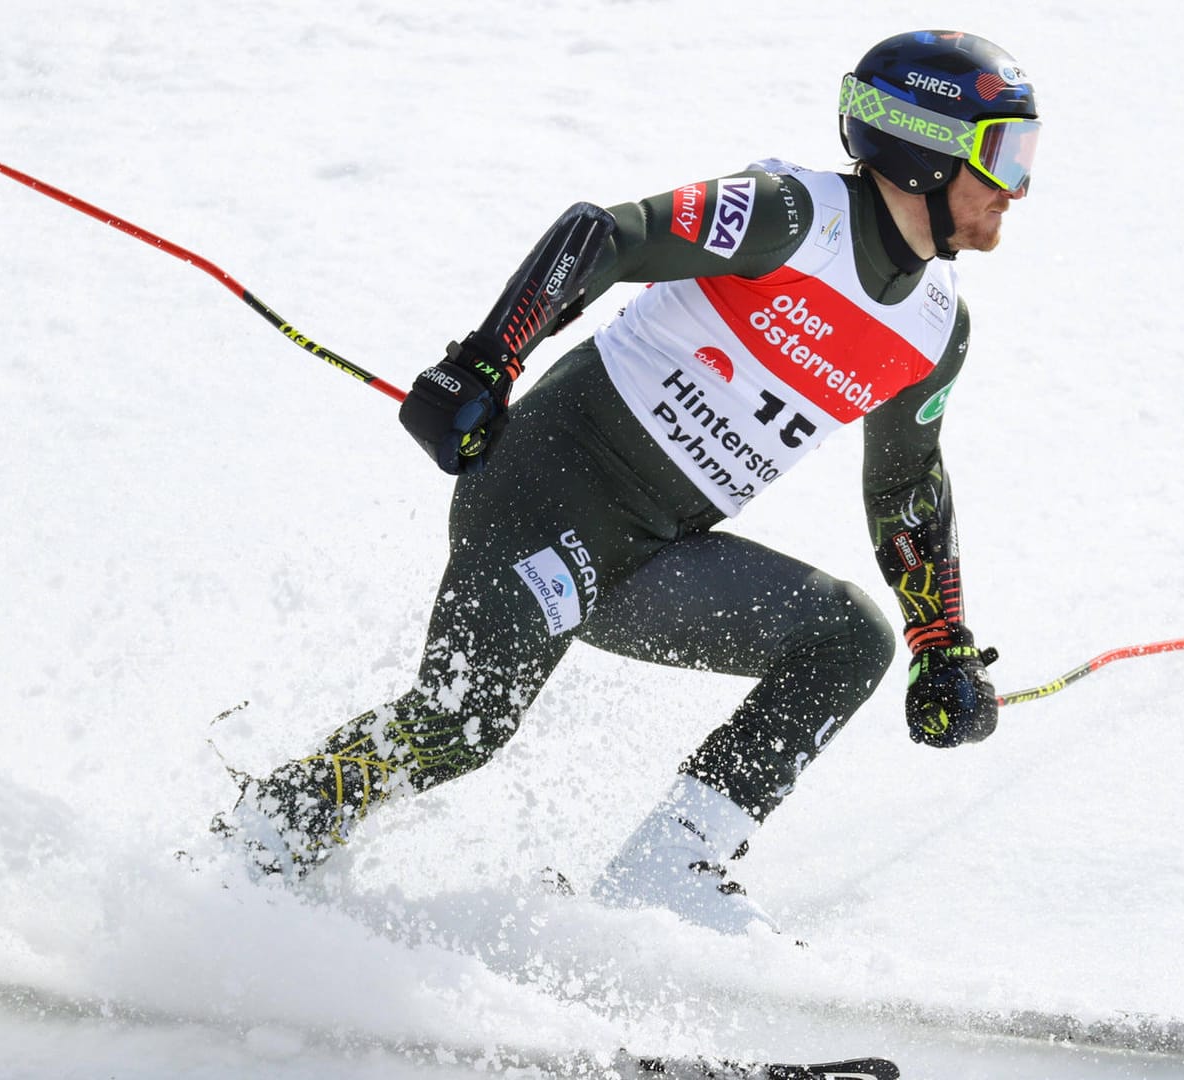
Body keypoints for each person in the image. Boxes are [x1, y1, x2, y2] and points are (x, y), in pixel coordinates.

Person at [213, 30, 1042, 935]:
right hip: (548, 493)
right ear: (925, 144)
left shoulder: (934, 328)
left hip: (650, 556)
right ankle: (261, 836)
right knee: (465, 725)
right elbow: (602, 236)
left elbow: (907, 488)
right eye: (1002, 153)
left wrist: (944, 641)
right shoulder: (796, 214)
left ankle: (667, 868)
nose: (1017, 188)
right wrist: (488, 360)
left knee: (850, 639)